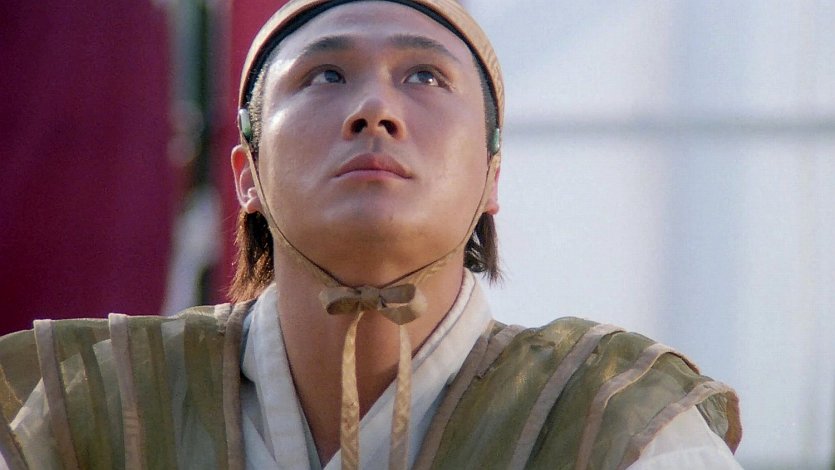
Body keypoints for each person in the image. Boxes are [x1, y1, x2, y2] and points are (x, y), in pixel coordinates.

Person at [0, 0, 742, 469]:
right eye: (325, 76)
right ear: (247, 176)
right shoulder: (77, 411)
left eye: (424, 77)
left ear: (491, 177)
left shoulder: (612, 422)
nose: (374, 111)